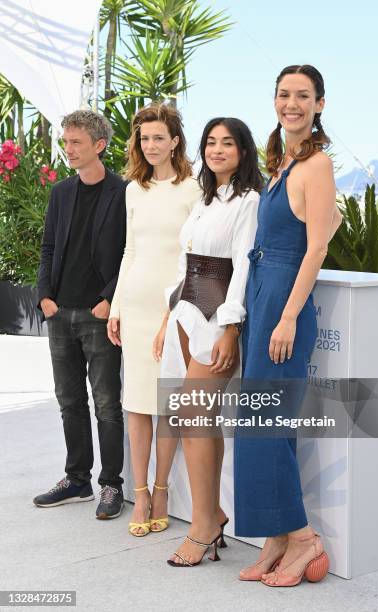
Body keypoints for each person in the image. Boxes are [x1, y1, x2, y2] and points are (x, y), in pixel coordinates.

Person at [234, 65, 343, 587]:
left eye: (303, 96)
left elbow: (317, 245)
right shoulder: (282, 163)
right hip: (263, 295)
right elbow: (327, 223)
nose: (291, 104)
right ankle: (276, 536)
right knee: (255, 422)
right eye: (284, 94)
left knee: (269, 424)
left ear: (319, 104)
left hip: (283, 303)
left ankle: (302, 539)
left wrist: (288, 317)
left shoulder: (316, 164)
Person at [155, 117, 263, 566]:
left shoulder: (250, 200)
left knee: (194, 413)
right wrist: (167, 318)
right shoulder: (204, 199)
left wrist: (231, 327)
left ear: (243, 151)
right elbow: (185, 264)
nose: (218, 150)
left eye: (228, 143)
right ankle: (211, 513)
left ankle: (203, 526)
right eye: (211, 142)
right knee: (200, 417)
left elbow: (242, 266)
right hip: (184, 314)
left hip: (218, 318)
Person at [107, 103, 200, 537]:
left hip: (173, 309)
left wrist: (170, 315)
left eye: (159, 137)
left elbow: (193, 259)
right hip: (136, 307)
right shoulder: (134, 189)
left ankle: (162, 489)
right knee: (137, 404)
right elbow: (130, 252)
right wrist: (120, 306)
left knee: (168, 404)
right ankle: (139, 492)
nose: (151, 145)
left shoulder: (193, 189)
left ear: (176, 141)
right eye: (144, 138)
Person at [34, 110, 127, 519]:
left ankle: (112, 485)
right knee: (69, 400)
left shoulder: (123, 192)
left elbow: (131, 251)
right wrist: (44, 297)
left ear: (99, 145)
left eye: (75, 142)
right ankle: (77, 480)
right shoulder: (61, 192)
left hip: (98, 313)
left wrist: (110, 297)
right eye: (66, 141)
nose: (68, 149)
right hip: (60, 313)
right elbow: (49, 247)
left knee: (107, 403)